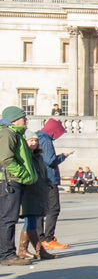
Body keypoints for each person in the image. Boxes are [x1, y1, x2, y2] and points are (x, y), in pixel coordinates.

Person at [1, 107, 38, 265]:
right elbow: (5, 159)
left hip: (12, 181)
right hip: (10, 182)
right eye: (24, 117)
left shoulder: (15, 133)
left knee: (7, 218)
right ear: (15, 119)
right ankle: (7, 254)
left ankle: (6, 252)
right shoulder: (8, 133)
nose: (26, 120)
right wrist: (23, 173)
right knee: (8, 218)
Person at [17, 131, 53, 261]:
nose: (34, 143)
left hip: (39, 191)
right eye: (31, 140)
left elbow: (43, 172)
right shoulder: (25, 156)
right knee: (31, 221)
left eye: (36, 141)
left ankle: (24, 249)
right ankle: (39, 250)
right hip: (29, 191)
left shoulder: (38, 156)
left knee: (31, 221)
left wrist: (48, 183)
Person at [36, 118, 71, 251]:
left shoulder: (38, 137)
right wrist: (63, 156)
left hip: (40, 178)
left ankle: (40, 238)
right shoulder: (46, 140)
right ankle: (48, 238)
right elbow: (50, 161)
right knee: (53, 208)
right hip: (49, 179)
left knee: (40, 210)